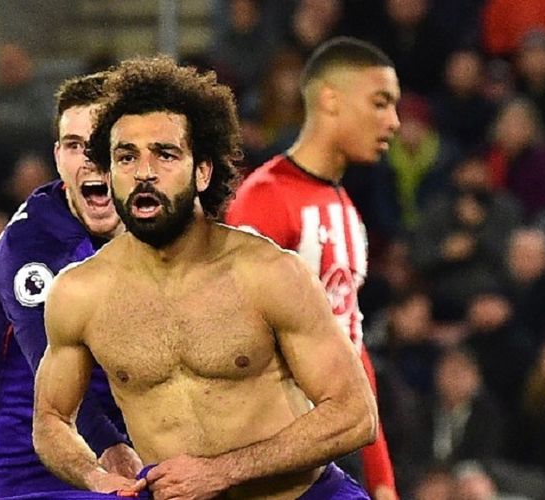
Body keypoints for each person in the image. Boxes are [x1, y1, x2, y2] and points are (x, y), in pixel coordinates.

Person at [33, 55, 377, 499]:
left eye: (165, 154)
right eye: (126, 157)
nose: (144, 172)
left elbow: (354, 415)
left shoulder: (268, 273)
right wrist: (94, 476)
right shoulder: (79, 293)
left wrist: (222, 472)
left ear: (202, 171)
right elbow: (50, 420)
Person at [0, 73, 141, 500]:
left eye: (102, 143)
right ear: (57, 157)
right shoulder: (31, 249)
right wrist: (112, 448)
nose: (89, 160)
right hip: (16, 469)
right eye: (74, 145)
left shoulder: (155, 226)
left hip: (119, 448)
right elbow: (53, 382)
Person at [225, 36, 401, 499]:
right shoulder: (265, 199)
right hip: (275, 459)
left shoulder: (345, 209)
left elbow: (352, 350)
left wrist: (381, 476)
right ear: (330, 99)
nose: (394, 122)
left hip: (333, 451)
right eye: (380, 103)